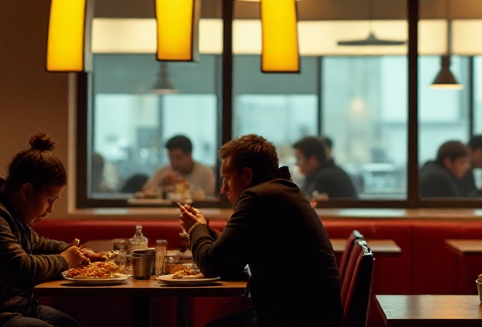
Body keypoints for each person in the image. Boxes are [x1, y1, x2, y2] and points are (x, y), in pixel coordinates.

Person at [179, 134, 342, 327]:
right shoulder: (278, 191)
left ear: (247, 175)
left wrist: (196, 229)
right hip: (309, 314)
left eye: (227, 179)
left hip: (296, 319)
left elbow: (212, 263)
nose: (223, 190)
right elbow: (233, 253)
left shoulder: (257, 198)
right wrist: (204, 230)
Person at [0, 133, 93, 327]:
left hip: (13, 309)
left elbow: (37, 244)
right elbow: (22, 269)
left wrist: (75, 252)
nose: (50, 210)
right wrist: (65, 260)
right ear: (26, 191)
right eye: (49, 201)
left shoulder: (8, 210)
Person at [141, 134, 216, 200]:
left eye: (178, 158)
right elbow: (145, 193)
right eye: (171, 158)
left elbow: (212, 197)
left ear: (189, 155)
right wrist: (161, 186)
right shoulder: (164, 173)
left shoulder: (205, 173)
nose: (174, 162)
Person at [294, 136, 358, 200]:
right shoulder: (331, 172)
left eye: (299, 159)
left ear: (312, 159)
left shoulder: (324, 179)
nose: (297, 164)